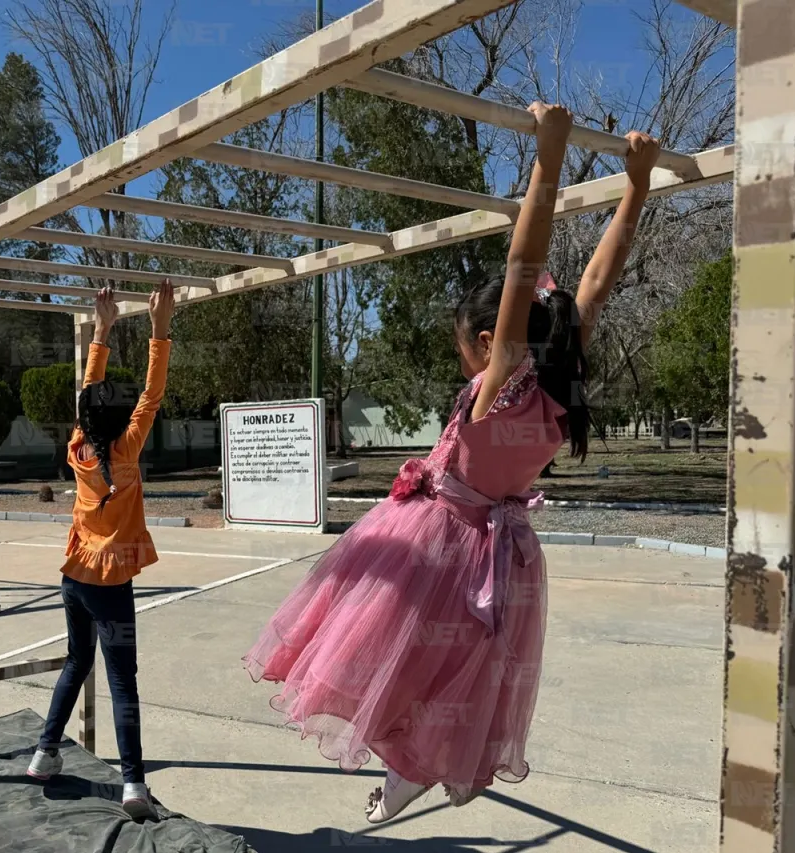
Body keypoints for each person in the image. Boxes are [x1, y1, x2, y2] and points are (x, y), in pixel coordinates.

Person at [242, 110, 663, 824]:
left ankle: (406, 768)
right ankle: (417, 769)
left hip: (439, 547)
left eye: (464, 345)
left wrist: (548, 161)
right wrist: (637, 184)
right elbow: (597, 277)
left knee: (384, 665)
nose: (462, 357)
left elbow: (525, 263)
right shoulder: (560, 385)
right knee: (445, 678)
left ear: (488, 340)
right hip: (502, 563)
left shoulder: (501, 384)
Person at [26, 282, 174, 820]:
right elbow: (151, 395)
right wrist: (159, 329)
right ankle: (133, 783)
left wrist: (103, 330)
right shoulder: (127, 450)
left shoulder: (77, 448)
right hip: (111, 589)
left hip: (74, 580)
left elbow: (89, 393)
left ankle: (45, 754)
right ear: (121, 422)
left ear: (86, 421)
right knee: (121, 679)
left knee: (75, 660)